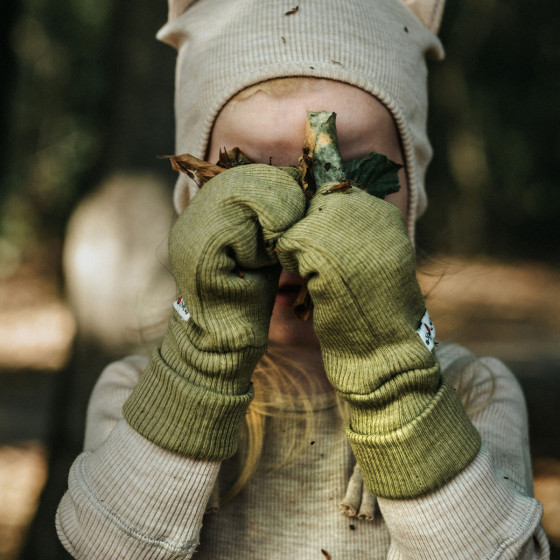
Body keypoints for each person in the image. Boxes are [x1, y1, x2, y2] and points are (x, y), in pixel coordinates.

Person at [55, 0, 550, 558]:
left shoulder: (474, 392)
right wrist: (201, 362)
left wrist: (395, 375)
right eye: (246, 175)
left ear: (409, 202)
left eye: (342, 177)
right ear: (195, 201)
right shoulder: (135, 394)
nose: (296, 228)